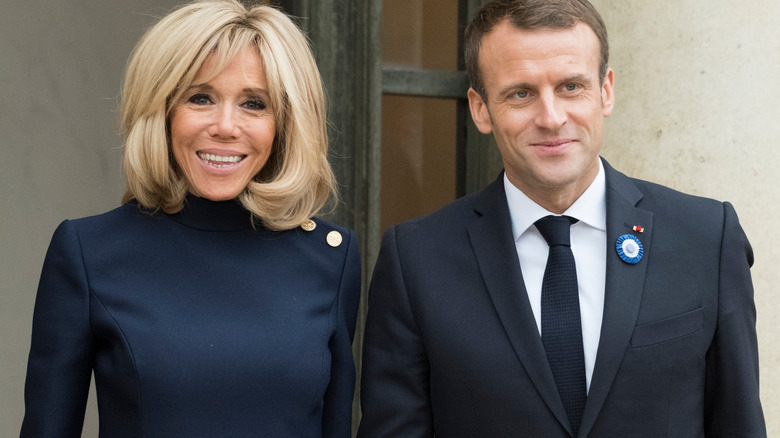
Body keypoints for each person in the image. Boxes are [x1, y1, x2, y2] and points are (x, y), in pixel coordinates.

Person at [358, 0, 765, 436]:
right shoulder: (416, 260)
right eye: (521, 93)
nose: (551, 118)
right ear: (480, 109)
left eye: (571, 86)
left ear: (605, 90)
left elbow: (738, 422)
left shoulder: (706, 237)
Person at [20, 1, 361, 436]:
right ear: (160, 110)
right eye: (200, 98)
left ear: (285, 124)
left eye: (254, 103)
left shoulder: (331, 258)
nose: (225, 125)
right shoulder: (88, 252)